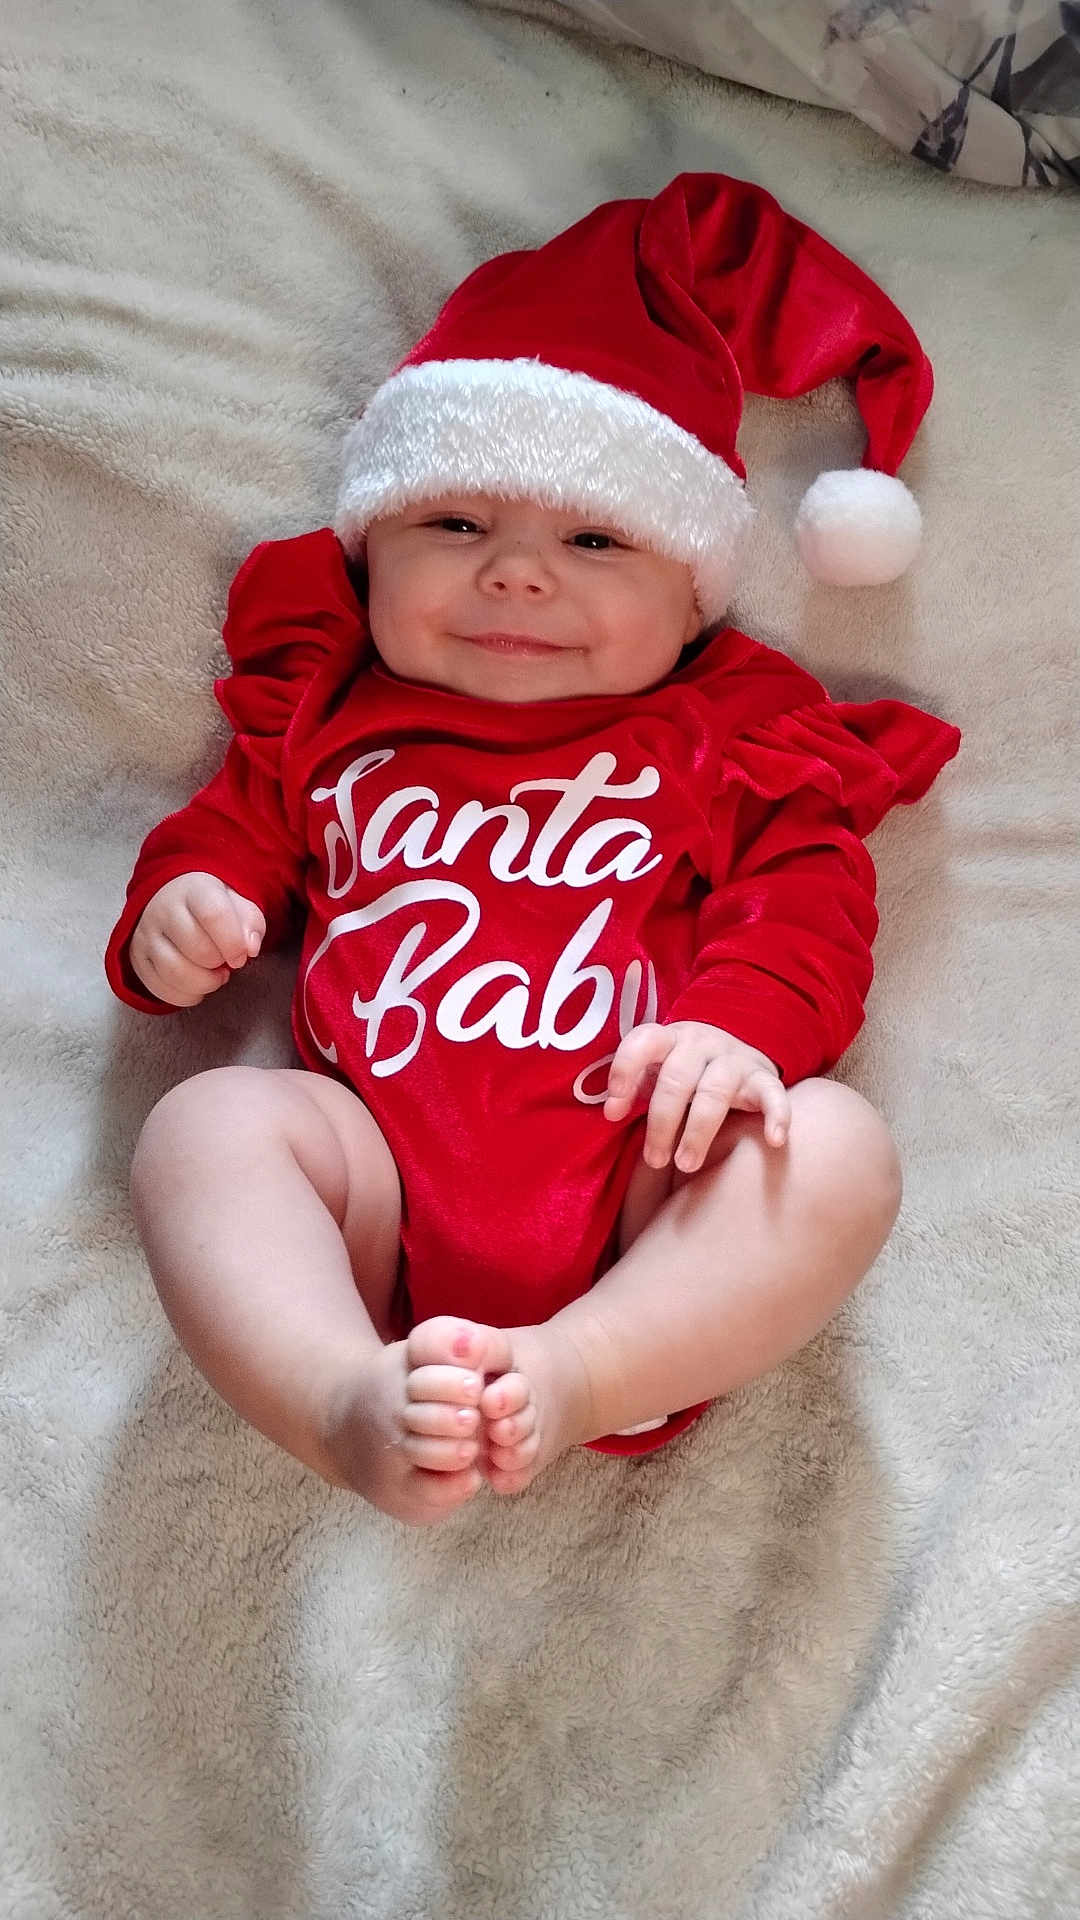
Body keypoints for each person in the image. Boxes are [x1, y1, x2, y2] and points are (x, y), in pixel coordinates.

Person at [105, 173, 960, 1528]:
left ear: (693, 597)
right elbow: (227, 833)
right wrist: (187, 904)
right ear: (370, 547)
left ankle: (579, 1370)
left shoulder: (722, 726)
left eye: (594, 537)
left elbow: (809, 894)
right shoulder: (327, 711)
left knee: (835, 1152)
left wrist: (738, 1026)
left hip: (643, 1185)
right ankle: (341, 1396)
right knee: (203, 1128)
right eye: (454, 524)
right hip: (369, 1177)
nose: (514, 573)